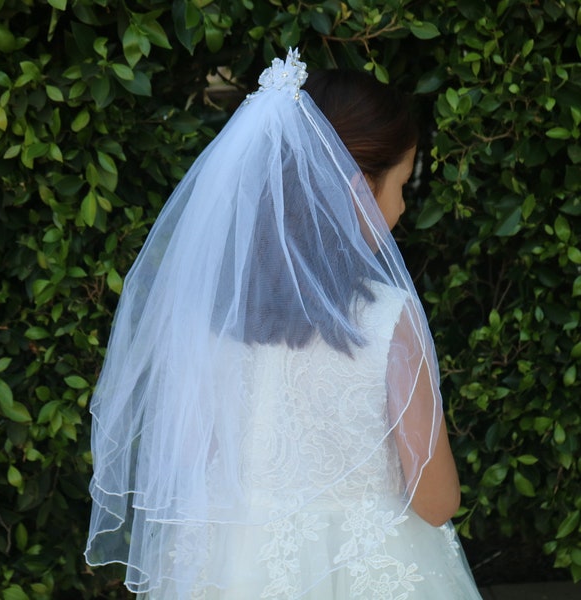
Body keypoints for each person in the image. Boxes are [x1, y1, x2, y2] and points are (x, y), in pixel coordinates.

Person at [85, 49, 483, 599]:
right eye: (401, 184)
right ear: (358, 187)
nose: (402, 208)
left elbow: (189, 468)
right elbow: (435, 502)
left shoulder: (210, 314)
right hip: (366, 570)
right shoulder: (388, 318)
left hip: (234, 570)